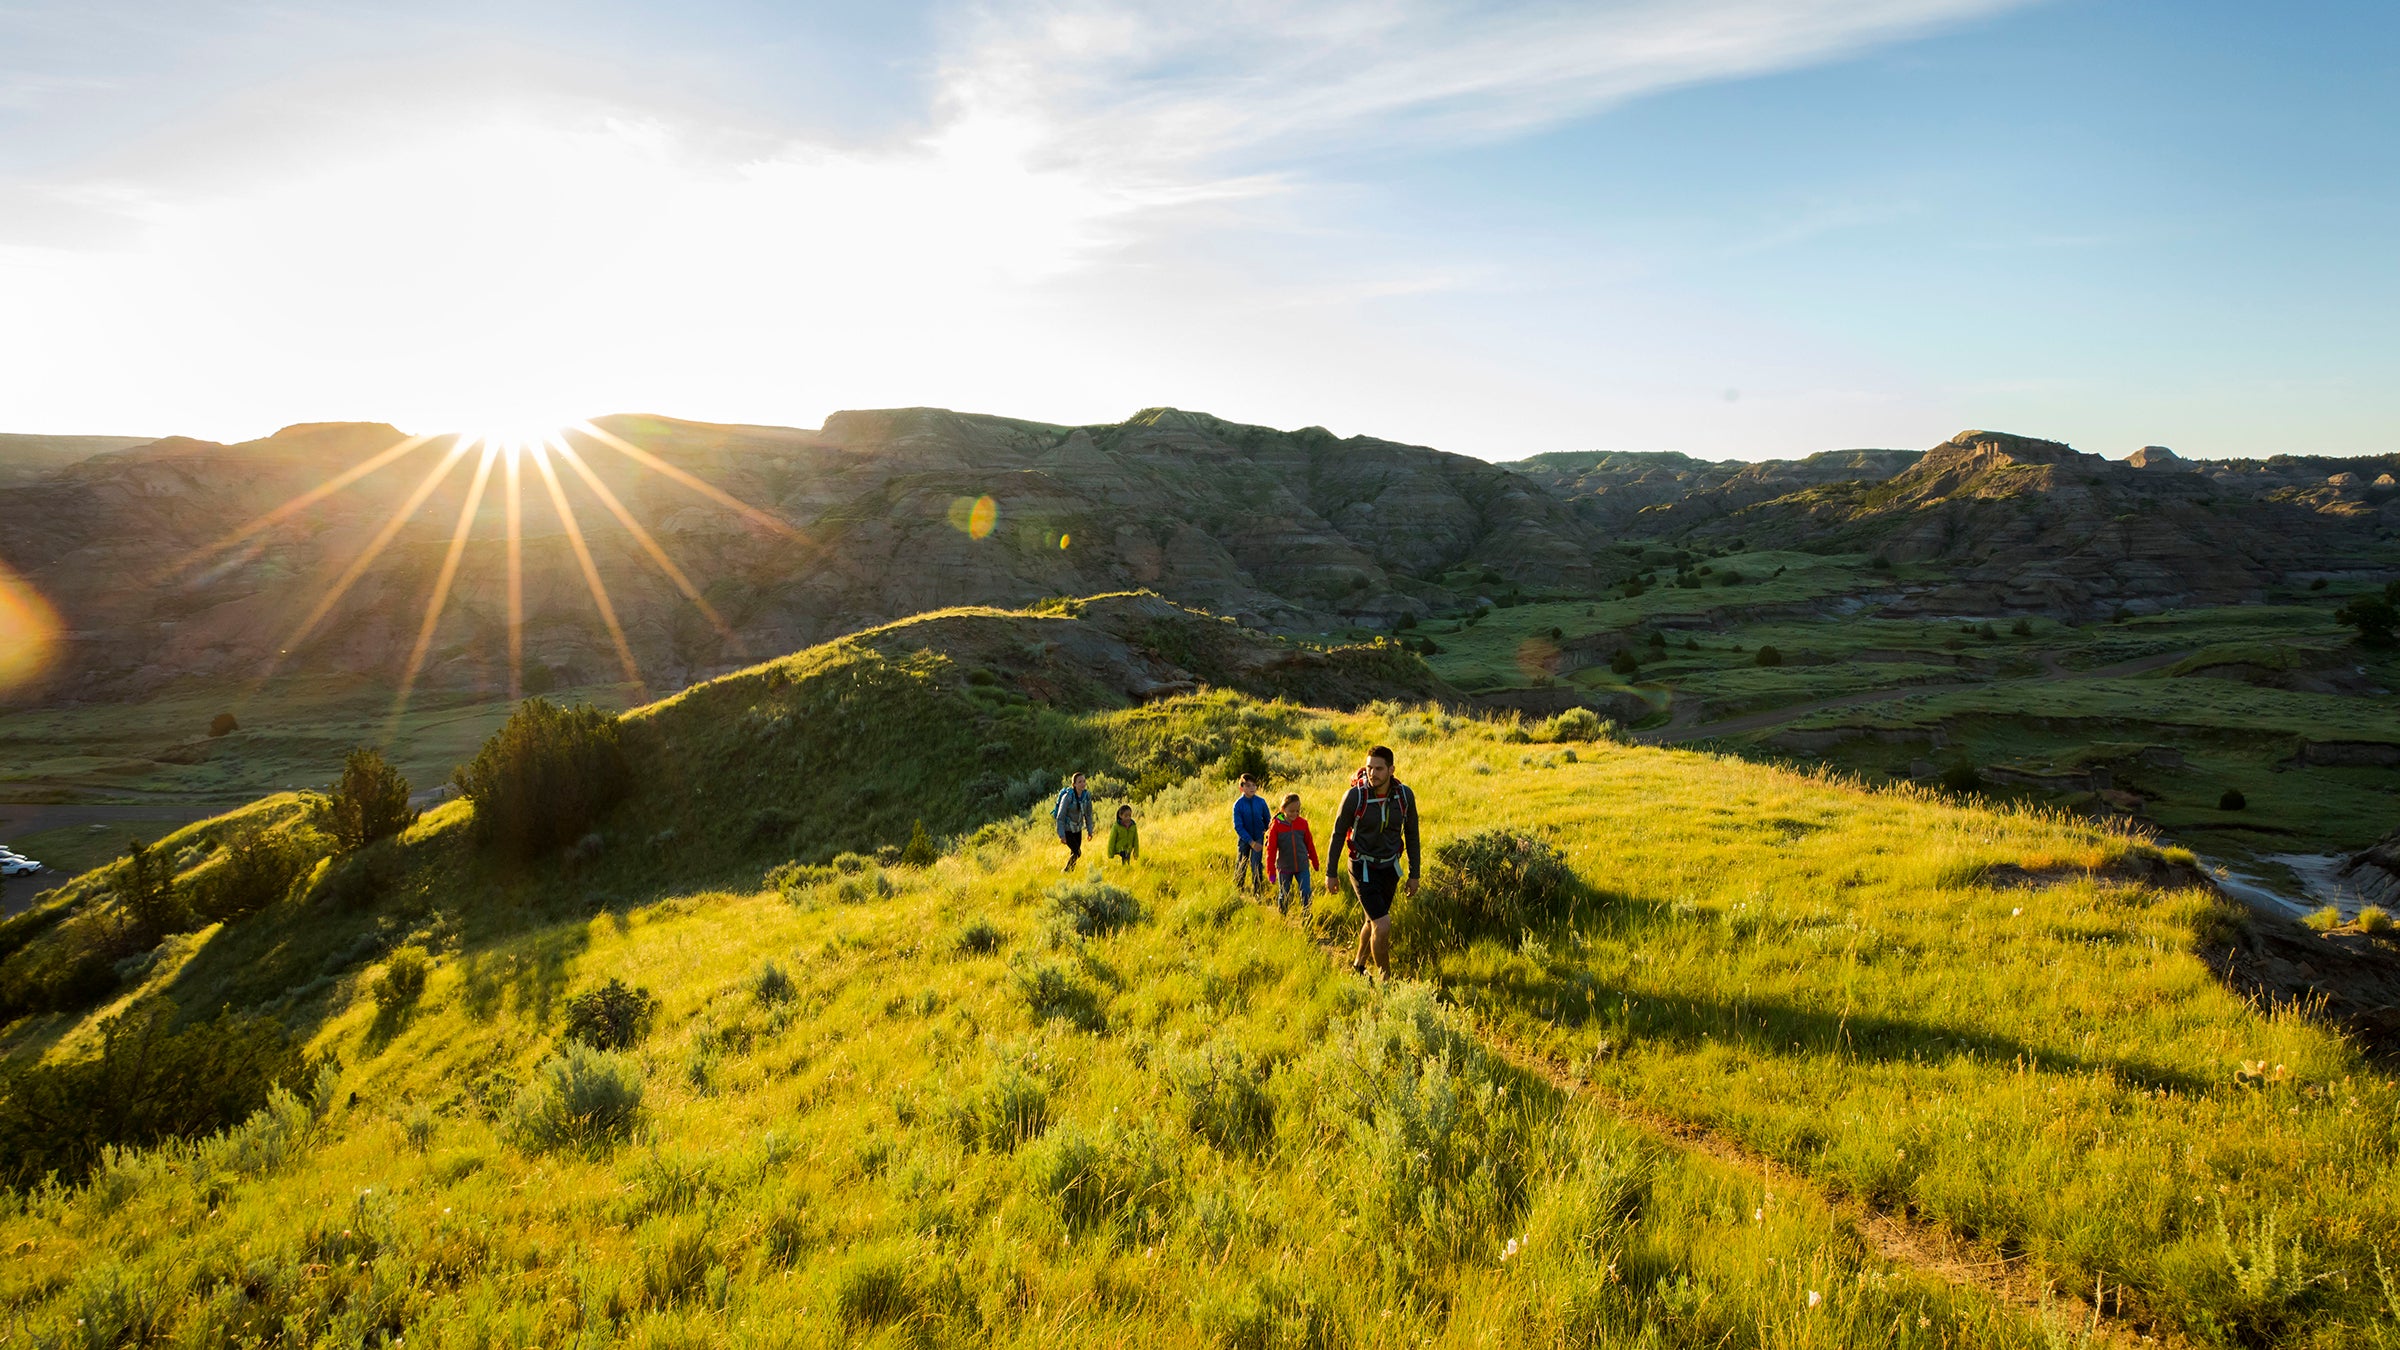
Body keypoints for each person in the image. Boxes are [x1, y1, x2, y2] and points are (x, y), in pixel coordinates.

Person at [1326, 744, 1419, 978]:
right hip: (1362, 867)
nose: (1372, 773)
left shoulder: (1404, 796)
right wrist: (1330, 873)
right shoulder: (1355, 796)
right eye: (1369, 768)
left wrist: (1414, 874)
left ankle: (1358, 966)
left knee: (1372, 920)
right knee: (1383, 924)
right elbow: (1338, 834)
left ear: (1391, 770)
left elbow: (1412, 835)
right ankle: (1386, 979)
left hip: (1389, 868)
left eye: (1379, 769)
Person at [1265, 792, 1317, 917]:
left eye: (1297, 811)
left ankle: (1306, 917)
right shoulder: (1276, 825)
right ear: (1283, 809)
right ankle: (1283, 917)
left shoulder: (1303, 823)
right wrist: (1271, 872)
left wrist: (1315, 861)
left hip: (1302, 866)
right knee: (1284, 894)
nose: (1295, 814)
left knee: (1306, 892)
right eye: (1292, 811)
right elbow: (1271, 850)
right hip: (1284, 868)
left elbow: (1310, 844)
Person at [1232, 774, 1270, 892]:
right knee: (1241, 863)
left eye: (1254, 785)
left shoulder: (1261, 802)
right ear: (1241, 788)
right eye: (1248, 786)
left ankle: (1257, 890)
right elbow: (1238, 826)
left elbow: (1268, 819)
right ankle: (1238, 890)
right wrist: (1250, 841)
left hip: (1258, 837)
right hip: (1244, 839)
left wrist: (1266, 831)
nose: (1252, 788)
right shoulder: (1238, 805)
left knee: (1256, 864)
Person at [1051, 773, 1095, 873]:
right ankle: (1066, 871)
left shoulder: (1086, 796)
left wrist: (1090, 831)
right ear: (1074, 784)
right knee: (1077, 852)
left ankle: (1069, 872)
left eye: (1084, 781)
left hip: (1078, 829)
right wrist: (1061, 835)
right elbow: (1060, 817)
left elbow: (1088, 815)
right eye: (1079, 782)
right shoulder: (1067, 797)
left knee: (1074, 853)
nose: (1083, 784)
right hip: (1068, 829)